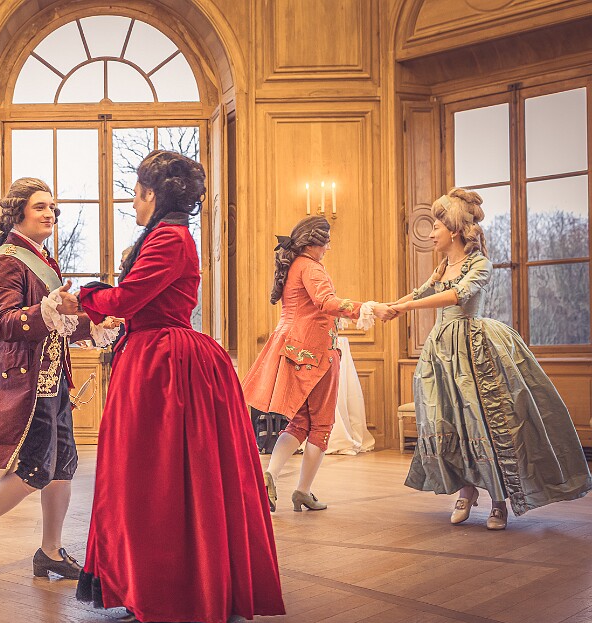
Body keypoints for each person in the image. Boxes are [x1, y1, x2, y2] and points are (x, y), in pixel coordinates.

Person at [67, 150, 285, 623]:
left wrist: (82, 295)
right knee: (154, 479)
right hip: (155, 361)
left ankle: (168, 596)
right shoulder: (167, 235)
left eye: (136, 192)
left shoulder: (169, 238)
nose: (132, 201)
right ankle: (159, 589)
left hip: (165, 368)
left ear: (152, 194)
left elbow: (128, 299)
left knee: (158, 480)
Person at [0, 178, 119, 591]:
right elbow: (3, 323)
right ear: (18, 212)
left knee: (62, 466)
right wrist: (49, 308)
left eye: (52, 207)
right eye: (40, 206)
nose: (50, 213)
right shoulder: (6, 261)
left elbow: (56, 323)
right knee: (35, 469)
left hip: (53, 380)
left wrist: (93, 324)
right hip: (25, 380)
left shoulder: (43, 260)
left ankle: (50, 551)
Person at [391, 188, 591, 530]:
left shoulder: (479, 263)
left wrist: (406, 307)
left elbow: (459, 295)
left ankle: (499, 500)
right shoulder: (442, 266)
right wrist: (386, 307)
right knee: (451, 421)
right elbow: (418, 293)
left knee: (484, 421)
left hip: (475, 350)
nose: (431, 233)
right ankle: (466, 490)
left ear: (454, 229)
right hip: (441, 353)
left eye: (436, 226)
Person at [241, 217, 394, 512]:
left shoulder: (295, 265)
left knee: (300, 422)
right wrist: (367, 308)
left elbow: (310, 308)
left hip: (292, 348)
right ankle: (302, 490)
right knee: (321, 425)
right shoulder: (311, 267)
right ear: (314, 243)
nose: (327, 249)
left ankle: (270, 475)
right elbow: (325, 301)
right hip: (316, 353)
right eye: (326, 243)